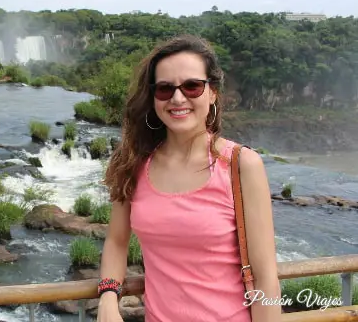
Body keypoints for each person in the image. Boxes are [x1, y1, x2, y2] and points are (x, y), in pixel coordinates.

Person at [96, 34, 281, 321]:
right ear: (153, 96)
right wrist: (108, 299)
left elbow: (265, 278)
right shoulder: (133, 164)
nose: (178, 98)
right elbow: (117, 241)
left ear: (213, 93)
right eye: (165, 89)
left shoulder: (241, 165)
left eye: (192, 86)